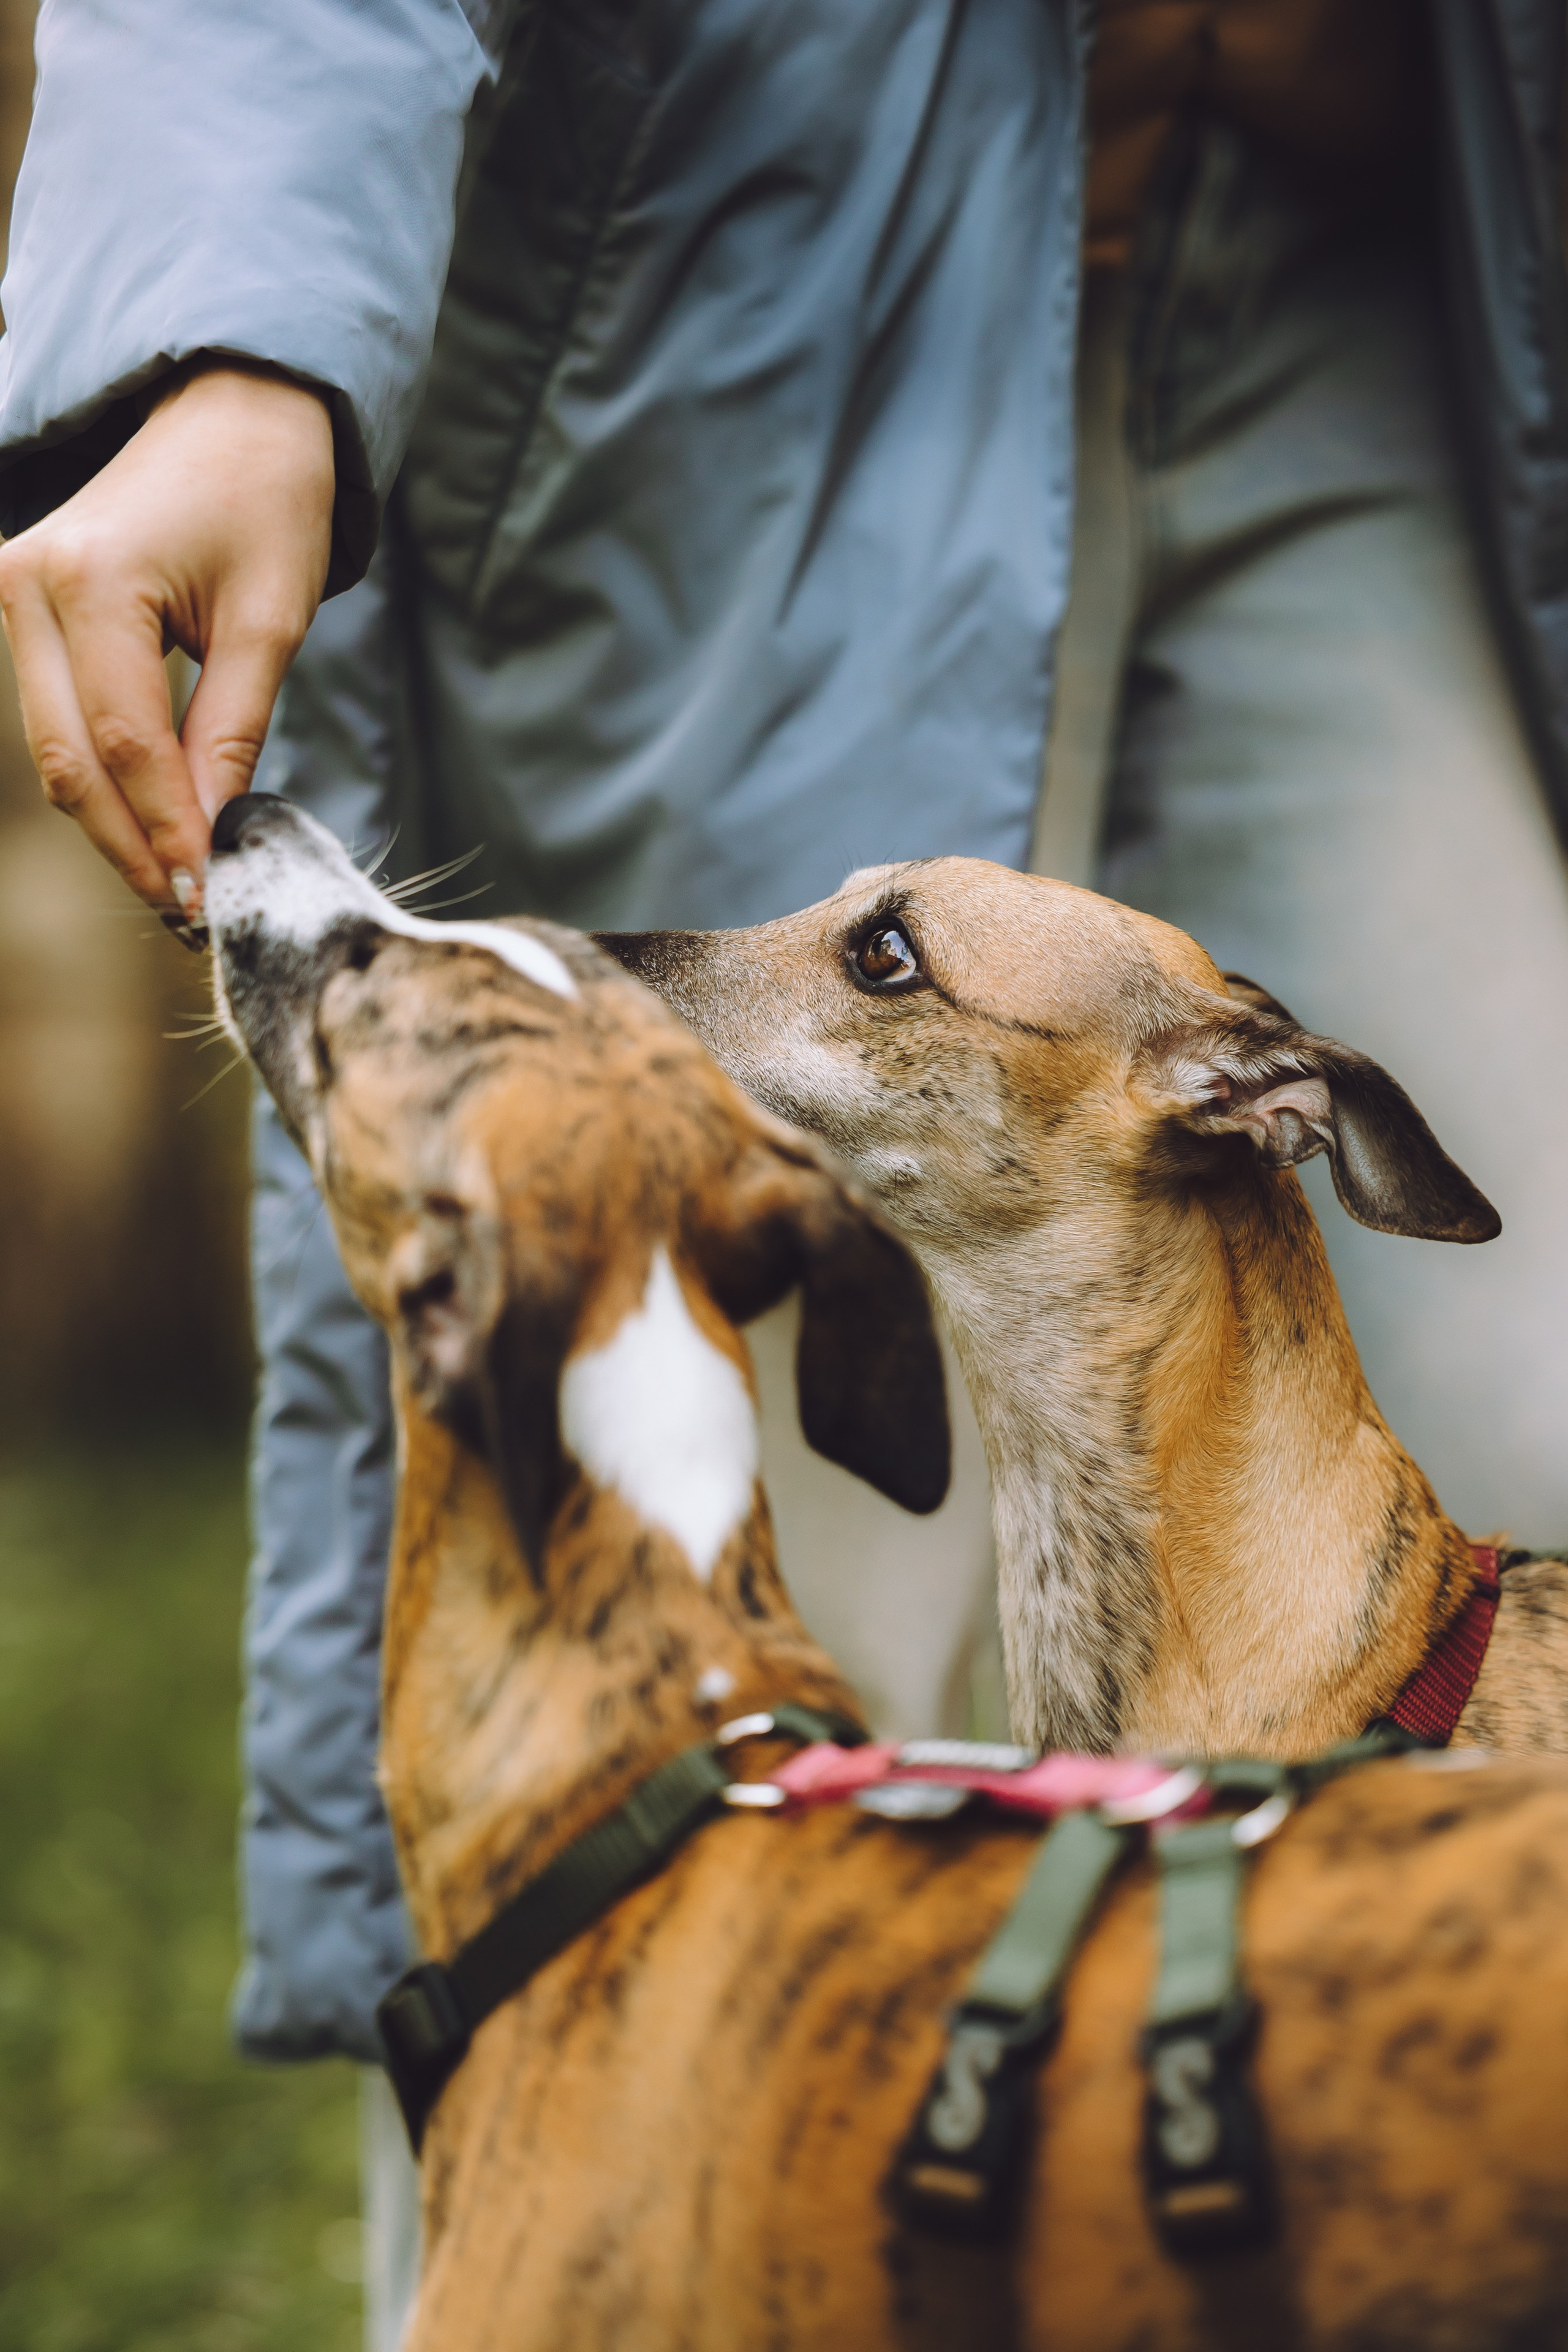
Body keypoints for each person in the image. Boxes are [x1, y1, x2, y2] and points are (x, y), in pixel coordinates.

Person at [2, 4, 1567, 2343]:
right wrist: (230, 336)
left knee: (1529, 1408)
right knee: (664, 1572)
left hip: (1387, 283)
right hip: (747, 305)